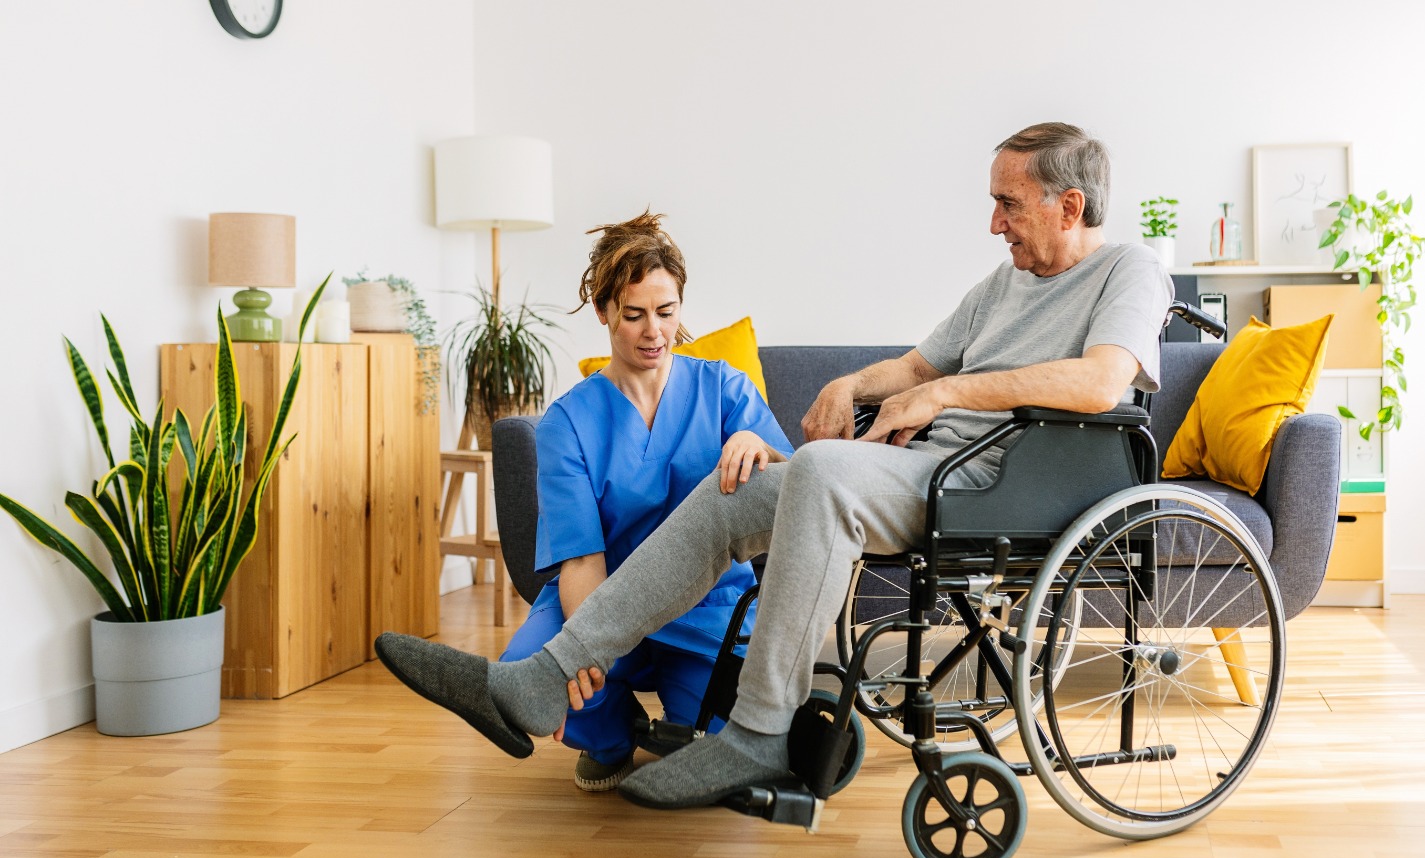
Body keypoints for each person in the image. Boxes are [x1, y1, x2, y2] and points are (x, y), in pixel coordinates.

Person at [376, 122, 1174, 810]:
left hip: (1002, 482)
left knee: (822, 472)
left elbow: (1103, 380)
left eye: (1008, 203)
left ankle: (759, 729)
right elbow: (918, 365)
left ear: (1068, 205)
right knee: (736, 489)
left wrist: (949, 396)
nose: (993, 221)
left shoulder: (1127, 271)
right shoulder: (1001, 284)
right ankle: (543, 677)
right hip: (934, 471)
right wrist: (851, 383)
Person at [471, 212, 792, 791]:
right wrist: (589, 648)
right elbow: (580, 560)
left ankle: (680, 716)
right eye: (634, 315)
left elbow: (794, 485)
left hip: (706, 604)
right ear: (604, 314)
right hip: (605, 596)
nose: (654, 332)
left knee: (722, 747)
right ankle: (610, 734)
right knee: (537, 677)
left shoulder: (723, 388)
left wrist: (757, 441)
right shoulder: (568, 422)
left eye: (666, 313)